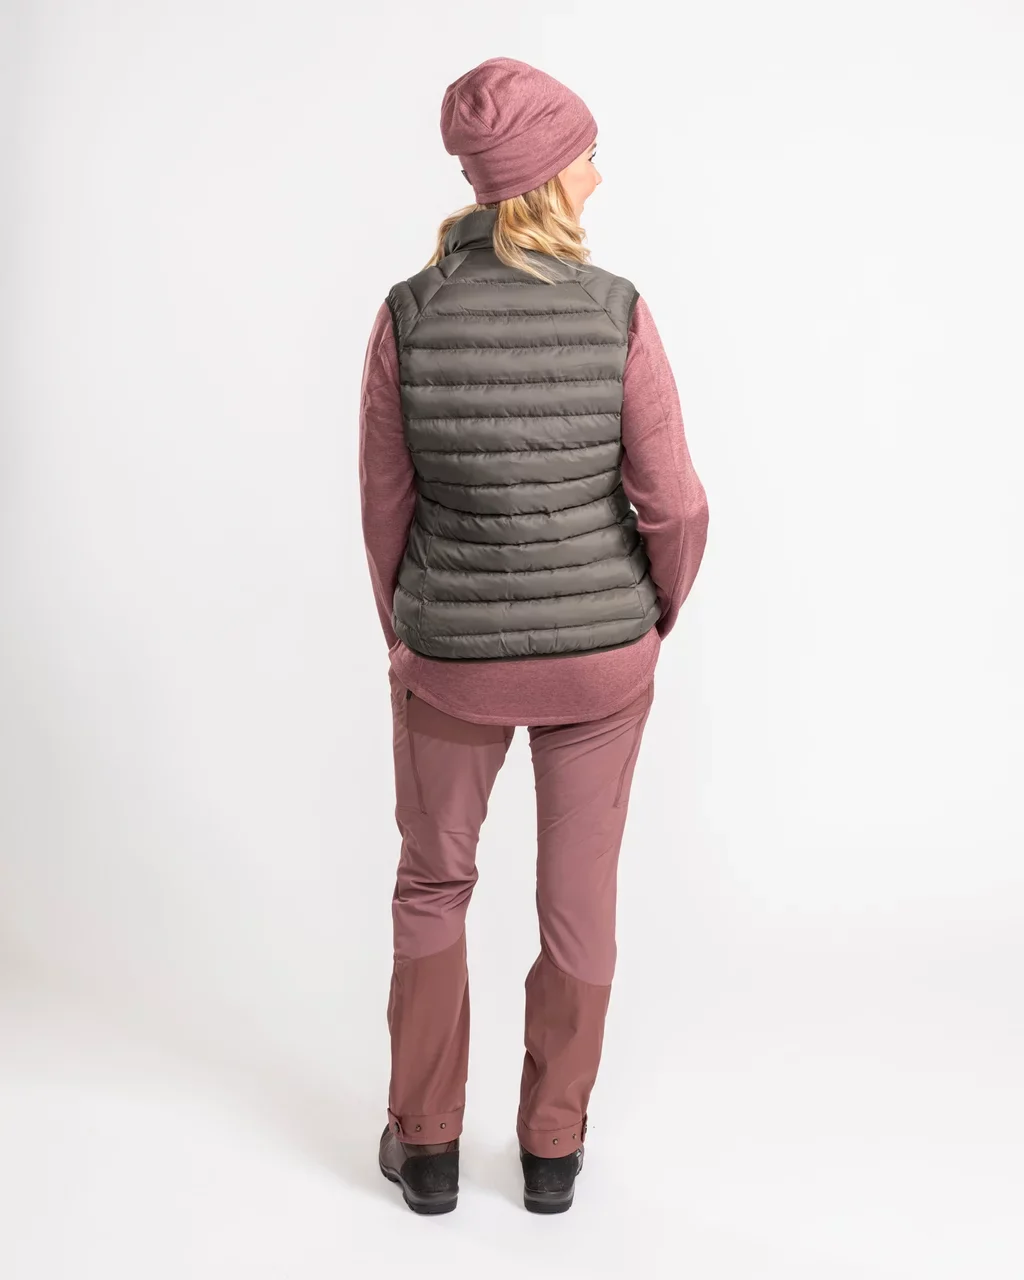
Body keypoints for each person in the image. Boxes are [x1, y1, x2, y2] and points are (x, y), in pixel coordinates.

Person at [359, 56, 709, 1215]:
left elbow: (385, 506)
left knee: (432, 882)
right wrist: (649, 615)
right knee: (580, 895)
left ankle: (425, 1146)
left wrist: (411, 636)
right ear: (548, 174)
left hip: (448, 658)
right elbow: (675, 505)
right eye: (587, 156)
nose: (599, 174)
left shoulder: (408, 313)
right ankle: (551, 1150)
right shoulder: (616, 310)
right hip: (600, 664)